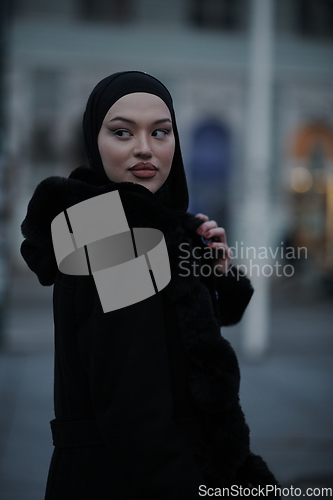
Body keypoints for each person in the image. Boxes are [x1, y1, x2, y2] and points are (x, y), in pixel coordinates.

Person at [21, 71, 279, 499]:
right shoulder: (114, 235)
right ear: (93, 141)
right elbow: (136, 417)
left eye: (161, 132)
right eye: (122, 132)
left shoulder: (143, 226)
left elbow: (178, 338)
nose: (145, 148)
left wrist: (212, 272)